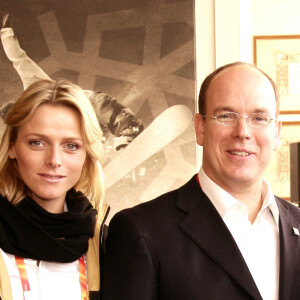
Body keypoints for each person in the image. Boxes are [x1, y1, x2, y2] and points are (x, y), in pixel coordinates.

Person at [101, 62, 300, 300]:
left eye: (259, 118)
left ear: (276, 133)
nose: (243, 132)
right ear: (200, 128)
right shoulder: (141, 231)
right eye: (226, 116)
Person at [0, 78, 109, 300]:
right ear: (12, 146)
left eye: (71, 146)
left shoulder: (109, 245)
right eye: (37, 143)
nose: (54, 160)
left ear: (86, 155)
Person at [0, 14, 143, 152]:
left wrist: (6, 34)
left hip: (87, 109)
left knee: (92, 100)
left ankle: (128, 128)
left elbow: (18, 59)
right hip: (84, 136)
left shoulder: (34, 87)